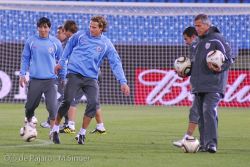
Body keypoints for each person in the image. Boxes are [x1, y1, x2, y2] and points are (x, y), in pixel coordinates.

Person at [50, 16, 130, 144]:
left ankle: (82, 133)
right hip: (74, 74)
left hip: (91, 78)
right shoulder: (80, 35)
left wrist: (123, 81)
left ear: (101, 28)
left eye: (94, 27)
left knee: (93, 103)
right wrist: (61, 62)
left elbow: (115, 63)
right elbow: (69, 47)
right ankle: (54, 129)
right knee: (67, 101)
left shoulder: (106, 44)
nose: (91, 29)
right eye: (90, 26)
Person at [186, 14, 233, 153]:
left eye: (199, 25)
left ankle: (212, 143)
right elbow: (195, 65)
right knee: (201, 114)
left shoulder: (218, 39)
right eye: (195, 25)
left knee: (208, 110)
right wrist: (186, 72)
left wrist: (221, 67)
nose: (197, 28)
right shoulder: (196, 43)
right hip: (198, 85)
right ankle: (204, 143)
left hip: (214, 84)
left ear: (207, 25)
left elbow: (229, 59)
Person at [19, 17, 64, 131]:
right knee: (30, 107)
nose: (43, 29)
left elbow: (62, 60)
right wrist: (22, 74)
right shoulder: (31, 41)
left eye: (45, 27)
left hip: (51, 80)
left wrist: (63, 76)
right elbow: (25, 59)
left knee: (53, 107)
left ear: (49, 28)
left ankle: (54, 132)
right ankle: (29, 122)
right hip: (35, 80)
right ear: (37, 28)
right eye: (41, 27)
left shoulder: (55, 42)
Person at [173, 26, 199, 147]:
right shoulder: (197, 46)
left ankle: (188, 138)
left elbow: (198, 66)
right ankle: (206, 141)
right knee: (203, 113)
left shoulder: (196, 46)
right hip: (201, 84)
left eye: (186, 39)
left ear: (193, 37)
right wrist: (186, 72)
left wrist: (186, 70)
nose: (186, 42)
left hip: (203, 85)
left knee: (196, 111)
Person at [40, 25, 68, 129]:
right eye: (56, 32)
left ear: (64, 33)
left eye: (59, 32)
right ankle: (66, 123)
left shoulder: (65, 45)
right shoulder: (60, 44)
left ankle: (54, 121)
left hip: (66, 75)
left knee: (60, 98)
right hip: (61, 75)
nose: (57, 34)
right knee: (63, 99)